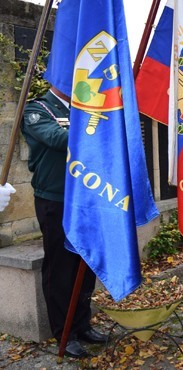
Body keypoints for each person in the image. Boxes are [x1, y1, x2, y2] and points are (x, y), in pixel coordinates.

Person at [21, 87, 108, 358]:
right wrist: (97, 130)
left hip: (86, 198)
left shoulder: (81, 108)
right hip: (55, 200)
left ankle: (82, 325)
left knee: (86, 264)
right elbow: (58, 139)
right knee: (60, 268)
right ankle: (65, 333)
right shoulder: (37, 110)